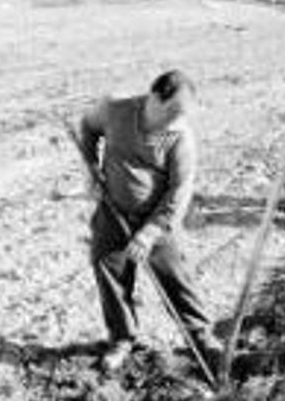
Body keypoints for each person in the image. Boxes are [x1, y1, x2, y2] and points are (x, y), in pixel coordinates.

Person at [78, 70, 221, 371]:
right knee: (109, 269)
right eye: (171, 111)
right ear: (154, 96)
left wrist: (149, 233)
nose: (175, 120)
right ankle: (121, 339)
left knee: (176, 277)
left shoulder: (180, 137)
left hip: (159, 218)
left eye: (181, 115)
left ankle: (202, 339)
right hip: (112, 209)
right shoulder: (115, 109)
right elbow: (89, 127)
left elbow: (178, 193)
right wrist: (90, 169)